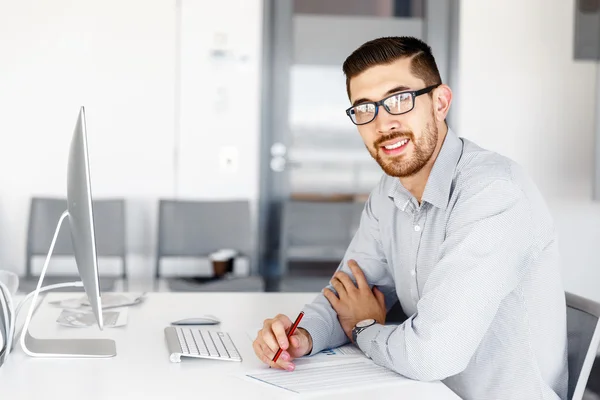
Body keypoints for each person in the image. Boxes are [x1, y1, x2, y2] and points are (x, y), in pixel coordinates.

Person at [253, 36, 568, 400]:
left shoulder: (493, 193)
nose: (383, 124)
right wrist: (300, 336)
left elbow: (433, 354)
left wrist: (363, 328)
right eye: (364, 108)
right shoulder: (388, 192)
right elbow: (346, 294)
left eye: (400, 100)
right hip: (419, 390)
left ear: (440, 102)